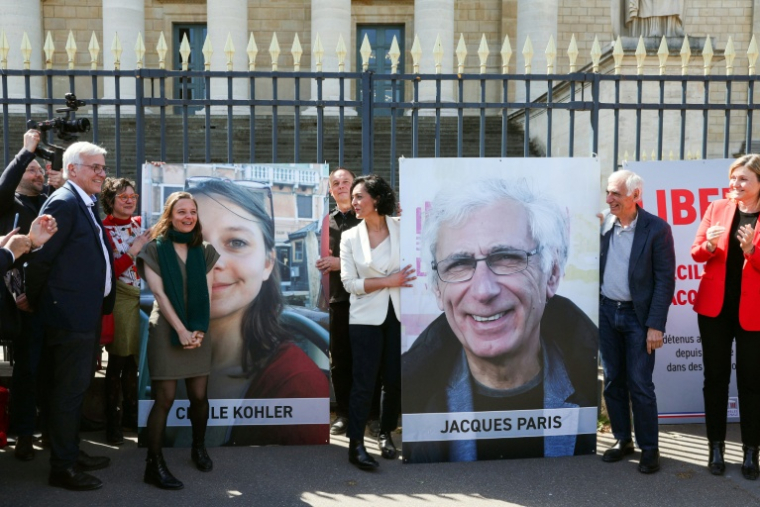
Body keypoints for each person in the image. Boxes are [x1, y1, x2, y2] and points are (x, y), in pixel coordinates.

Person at [402, 178, 598, 463]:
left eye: (506, 257)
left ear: (552, 274)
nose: (484, 291)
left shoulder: (589, 391)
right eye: (459, 264)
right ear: (437, 289)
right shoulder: (417, 401)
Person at [188, 179, 330, 446]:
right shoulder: (164, 355)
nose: (213, 261)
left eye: (236, 242)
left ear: (267, 263)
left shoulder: (296, 385)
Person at [24, 141, 116, 491]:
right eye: (95, 167)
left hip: (84, 313)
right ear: (72, 169)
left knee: (72, 390)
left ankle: (70, 451)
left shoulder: (84, 202)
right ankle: (62, 467)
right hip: (68, 315)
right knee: (67, 391)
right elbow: (40, 257)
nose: (102, 173)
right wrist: (36, 301)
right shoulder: (64, 202)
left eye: (104, 168)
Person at [137, 191, 219, 490]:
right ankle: (153, 463)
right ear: (170, 216)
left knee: (199, 397)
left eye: (192, 212)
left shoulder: (206, 249)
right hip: (166, 331)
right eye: (181, 211)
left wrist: (197, 329)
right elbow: (158, 295)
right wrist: (181, 330)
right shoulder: (154, 250)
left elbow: (206, 294)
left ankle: (199, 447)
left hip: (198, 330)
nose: (187, 217)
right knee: (165, 400)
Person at [599, 170, 675, 475]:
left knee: (640, 385)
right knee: (614, 381)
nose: (609, 199)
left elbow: (665, 280)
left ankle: (649, 448)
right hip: (606, 312)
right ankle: (622, 439)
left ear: (635, 196)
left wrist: (655, 325)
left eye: (616, 194)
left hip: (638, 318)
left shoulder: (657, 229)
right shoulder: (603, 223)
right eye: (608, 192)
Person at [691, 154, 760, 480]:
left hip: (753, 314)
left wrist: (751, 252)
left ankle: (751, 452)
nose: (735, 184)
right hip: (715, 311)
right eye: (734, 177)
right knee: (715, 379)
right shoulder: (716, 208)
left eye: (743, 179)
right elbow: (696, 252)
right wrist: (709, 244)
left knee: (752, 383)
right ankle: (715, 448)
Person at [340, 174, 415, 470]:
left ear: (377, 199)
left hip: (398, 313)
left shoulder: (402, 228)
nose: (354, 202)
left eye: (360, 197)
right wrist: (389, 281)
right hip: (364, 318)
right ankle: (356, 444)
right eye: (353, 197)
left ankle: (385, 434)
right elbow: (349, 283)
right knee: (364, 382)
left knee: (394, 380)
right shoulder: (349, 237)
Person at [316, 168, 381, 436]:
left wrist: (337, 264)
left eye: (346, 182)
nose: (341, 186)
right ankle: (343, 414)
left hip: (368, 298)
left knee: (369, 359)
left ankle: (373, 416)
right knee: (340, 361)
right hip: (337, 301)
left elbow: (379, 261)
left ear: (355, 187)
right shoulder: (324, 223)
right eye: (336, 183)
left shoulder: (369, 220)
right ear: (331, 191)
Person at [0, 130, 51, 461]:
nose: (39, 175)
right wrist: (25, 152)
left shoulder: (51, 200)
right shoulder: (9, 202)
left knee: (54, 369)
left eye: (41, 171)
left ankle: (52, 430)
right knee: (27, 370)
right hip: (21, 303)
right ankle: (23, 434)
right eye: (32, 170)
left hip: (51, 298)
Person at [100, 178, 151, 445]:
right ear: (110, 201)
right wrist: (132, 252)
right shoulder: (103, 229)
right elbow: (109, 272)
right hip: (119, 297)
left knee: (134, 361)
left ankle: (132, 414)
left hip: (142, 299)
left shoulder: (141, 225)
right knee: (117, 361)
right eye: (123, 196)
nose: (130, 200)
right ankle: (113, 421)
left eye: (133, 195)